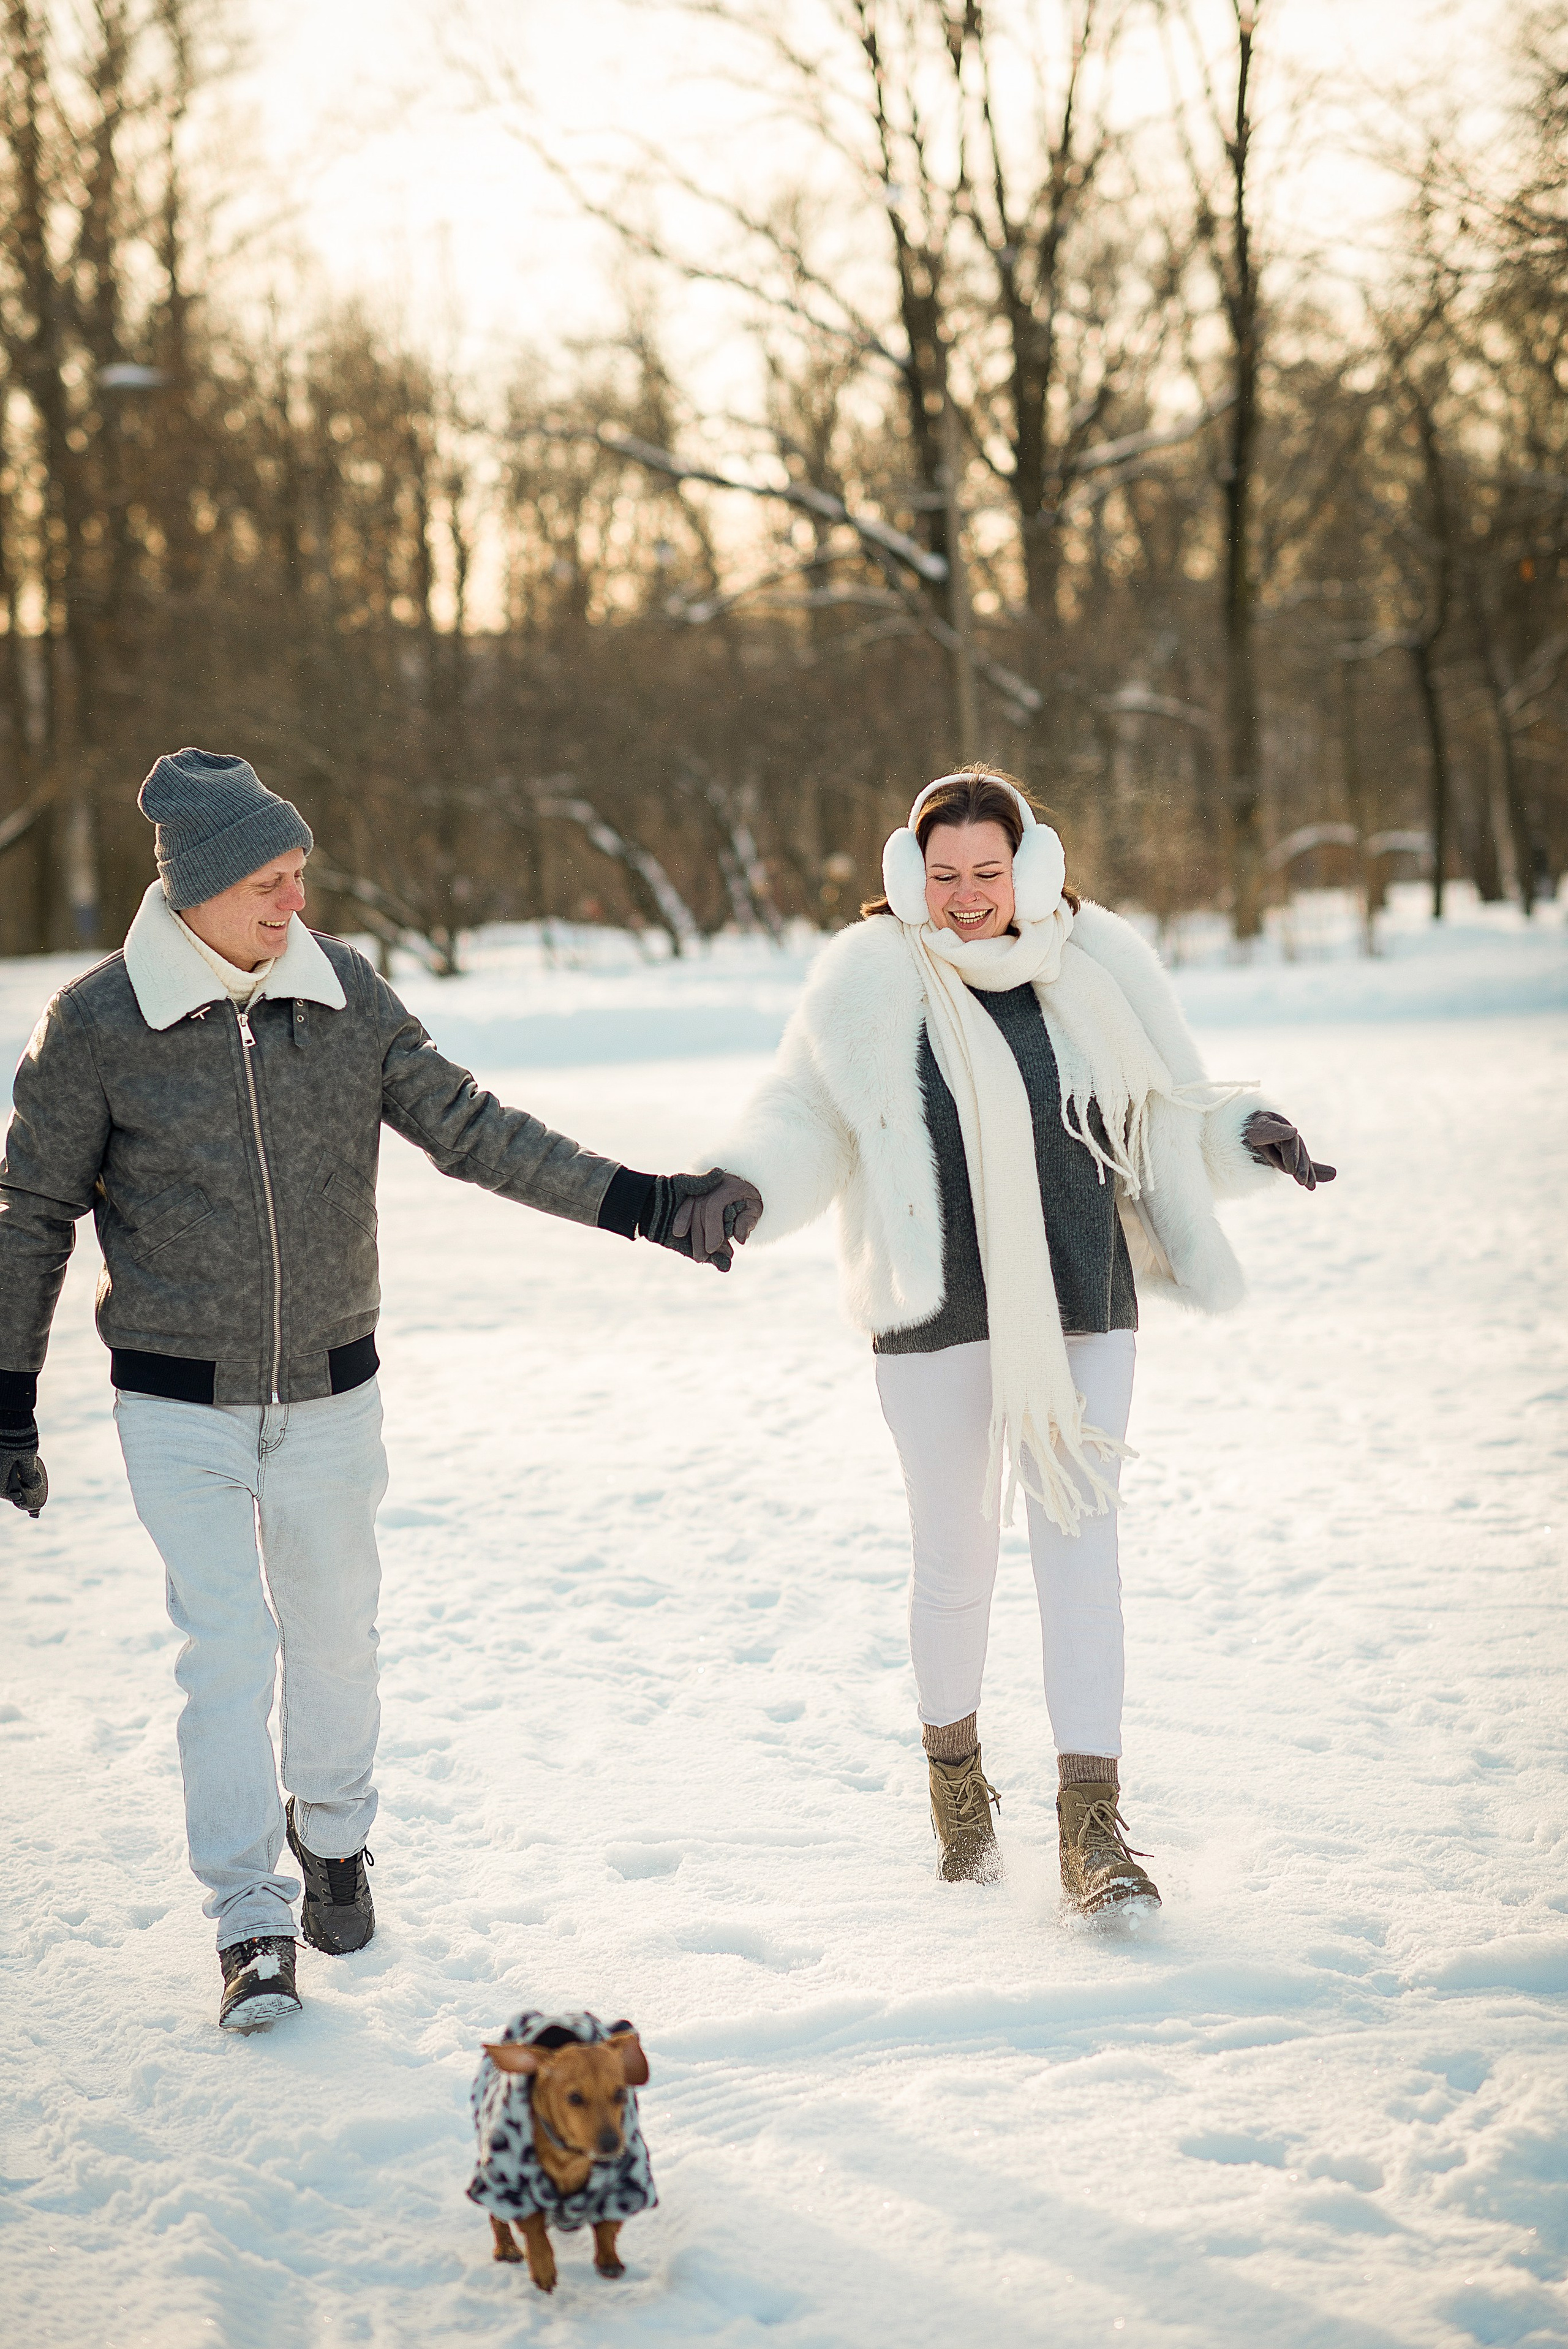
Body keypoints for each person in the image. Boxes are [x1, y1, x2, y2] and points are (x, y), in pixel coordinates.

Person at [0, 748, 761, 2031]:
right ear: (191, 889)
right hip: (177, 1403)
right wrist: (9, 1392)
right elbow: (29, 1215)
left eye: (300, 875)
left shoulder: (340, 993)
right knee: (226, 1651)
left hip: (330, 1393)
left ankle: (336, 1840)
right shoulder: (98, 1023)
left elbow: (470, 1127)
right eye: (267, 883)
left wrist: (644, 1203)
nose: (293, 902)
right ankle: (249, 1923)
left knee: (335, 1630)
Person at [707, 768, 1333, 1917]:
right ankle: (957, 1791)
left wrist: (1255, 1135)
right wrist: (742, 1188)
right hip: (939, 1310)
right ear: (910, 877)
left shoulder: (1099, 965)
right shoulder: (871, 980)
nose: (965, 897)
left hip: (1084, 1299)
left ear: (1030, 867)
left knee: (1080, 1553)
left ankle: (1092, 1831)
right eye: (942, 875)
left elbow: (1174, 1109)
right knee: (955, 1562)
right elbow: (801, 1116)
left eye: (986, 872)